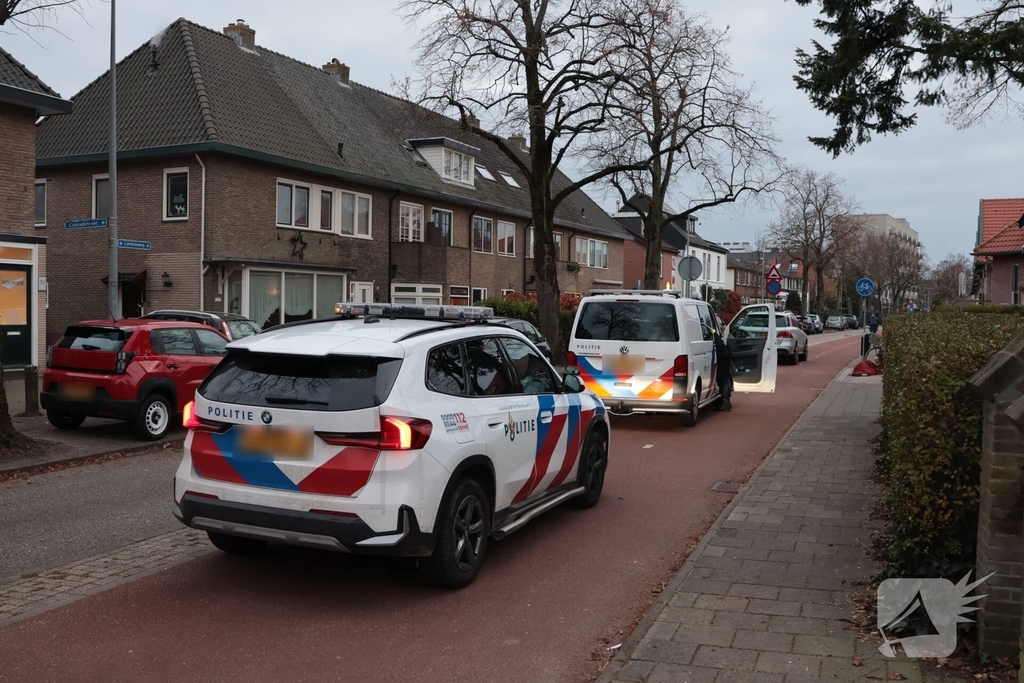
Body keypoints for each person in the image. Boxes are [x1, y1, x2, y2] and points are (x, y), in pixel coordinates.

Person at [714, 324, 733, 411]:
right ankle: (725, 401)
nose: (722, 328)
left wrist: (714, 333)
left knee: (724, 381)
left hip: (722, 358)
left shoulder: (718, 334)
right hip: (724, 358)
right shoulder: (724, 335)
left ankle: (725, 403)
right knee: (725, 380)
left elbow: (720, 344)